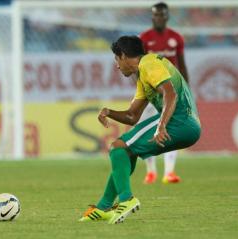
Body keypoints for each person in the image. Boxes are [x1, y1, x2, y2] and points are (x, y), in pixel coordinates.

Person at [79, 35, 200, 224]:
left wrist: (161, 125)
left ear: (124, 56)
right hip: (186, 124)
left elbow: (170, 92)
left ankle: (126, 199)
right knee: (126, 152)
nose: (117, 66)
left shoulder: (149, 63)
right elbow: (132, 116)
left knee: (117, 147)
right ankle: (103, 207)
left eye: (117, 60)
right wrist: (109, 112)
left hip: (180, 121)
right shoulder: (143, 75)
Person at [139, 2, 189, 184]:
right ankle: (150, 171)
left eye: (162, 15)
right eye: (156, 15)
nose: (159, 17)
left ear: (167, 16)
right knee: (147, 129)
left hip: (171, 91)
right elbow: (138, 66)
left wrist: (186, 89)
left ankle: (169, 172)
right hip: (150, 92)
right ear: (152, 17)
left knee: (171, 129)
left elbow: (182, 64)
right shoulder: (144, 38)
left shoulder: (176, 38)